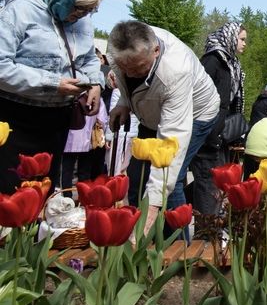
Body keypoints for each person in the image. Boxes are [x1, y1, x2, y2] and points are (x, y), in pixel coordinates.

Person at [0, 0, 106, 193]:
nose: (82, 15)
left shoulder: (83, 22)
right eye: (79, 7)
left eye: (90, 10)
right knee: (10, 192)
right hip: (15, 118)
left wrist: (96, 83)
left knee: (42, 190)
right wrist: (52, 83)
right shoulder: (21, 10)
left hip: (57, 120)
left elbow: (88, 59)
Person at [107, 20, 220, 220]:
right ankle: (134, 236)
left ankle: (176, 246)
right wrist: (124, 102)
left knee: (170, 178)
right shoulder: (119, 45)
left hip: (196, 113)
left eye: (139, 68)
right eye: (126, 68)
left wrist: (153, 207)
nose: (132, 74)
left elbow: (173, 138)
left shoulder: (176, 70)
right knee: (137, 176)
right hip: (153, 112)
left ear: (156, 50)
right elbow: (128, 77)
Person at [193, 22, 247, 215]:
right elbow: (198, 95)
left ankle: (210, 227)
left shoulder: (231, 64)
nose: (244, 44)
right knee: (207, 184)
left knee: (215, 186)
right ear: (230, 37)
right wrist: (209, 129)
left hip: (220, 135)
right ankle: (205, 234)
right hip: (207, 134)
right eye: (241, 39)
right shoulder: (213, 60)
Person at [61, 97, 109, 190]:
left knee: (67, 171)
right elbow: (102, 120)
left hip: (69, 141)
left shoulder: (70, 95)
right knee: (84, 172)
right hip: (86, 141)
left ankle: (66, 196)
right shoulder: (97, 98)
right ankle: (83, 198)